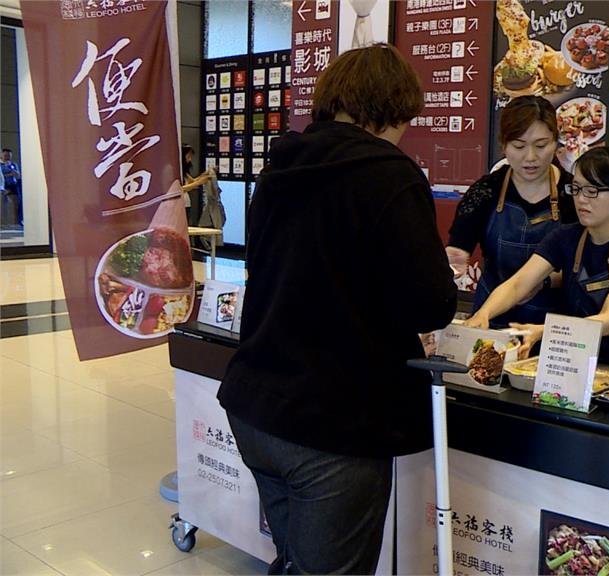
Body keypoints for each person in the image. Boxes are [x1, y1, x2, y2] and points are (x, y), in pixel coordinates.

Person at [218, 44, 456, 575]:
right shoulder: (389, 175)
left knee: (297, 562)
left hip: (255, 403)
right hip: (333, 422)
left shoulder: (280, 168)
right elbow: (431, 303)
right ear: (394, 109)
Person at [464, 146, 609, 368]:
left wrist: (546, 331)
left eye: (593, 190)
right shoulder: (565, 237)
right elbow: (518, 284)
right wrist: (484, 313)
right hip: (576, 360)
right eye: (576, 189)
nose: (581, 199)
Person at [445, 96, 576, 328]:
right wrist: (453, 263)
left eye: (541, 145)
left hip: (552, 327)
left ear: (556, 142)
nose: (530, 157)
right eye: (519, 146)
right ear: (503, 145)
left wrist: (544, 282)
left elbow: (588, 269)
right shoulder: (486, 191)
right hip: (489, 318)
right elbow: (457, 251)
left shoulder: (572, 194)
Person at [180, 145, 212, 226]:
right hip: (179, 205)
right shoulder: (175, 170)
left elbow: (192, 181)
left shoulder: (184, 171)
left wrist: (205, 175)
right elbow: (179, 189)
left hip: (186, 204)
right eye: (188, 156)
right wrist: (199, 182)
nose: (190, 159)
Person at [2, 148, 21, 226]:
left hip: (13, 185)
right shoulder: (1, 165)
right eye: (6, 155)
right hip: (3, 185)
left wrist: (15, 173)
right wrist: (9, 174)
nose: (7, 157)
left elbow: (18, 175)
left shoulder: (13, 164)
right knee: (3, 205)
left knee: (15, 204)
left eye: (9, 155)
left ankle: (15, 223)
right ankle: (3, 223)